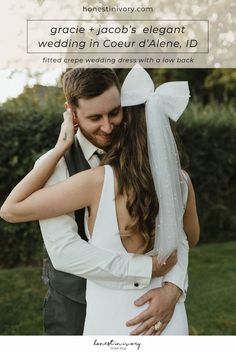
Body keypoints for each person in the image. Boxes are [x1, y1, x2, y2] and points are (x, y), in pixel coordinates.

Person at [0, 65, 199, 335]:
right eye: (95, 117)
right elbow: (64, 252)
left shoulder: (150, 161)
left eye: (114, 112)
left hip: (149, 303)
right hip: (73, 307)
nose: (108, 127)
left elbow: (178, 233)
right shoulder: (54, 167)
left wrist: (174, 286)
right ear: (72, 113)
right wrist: (146, 268)